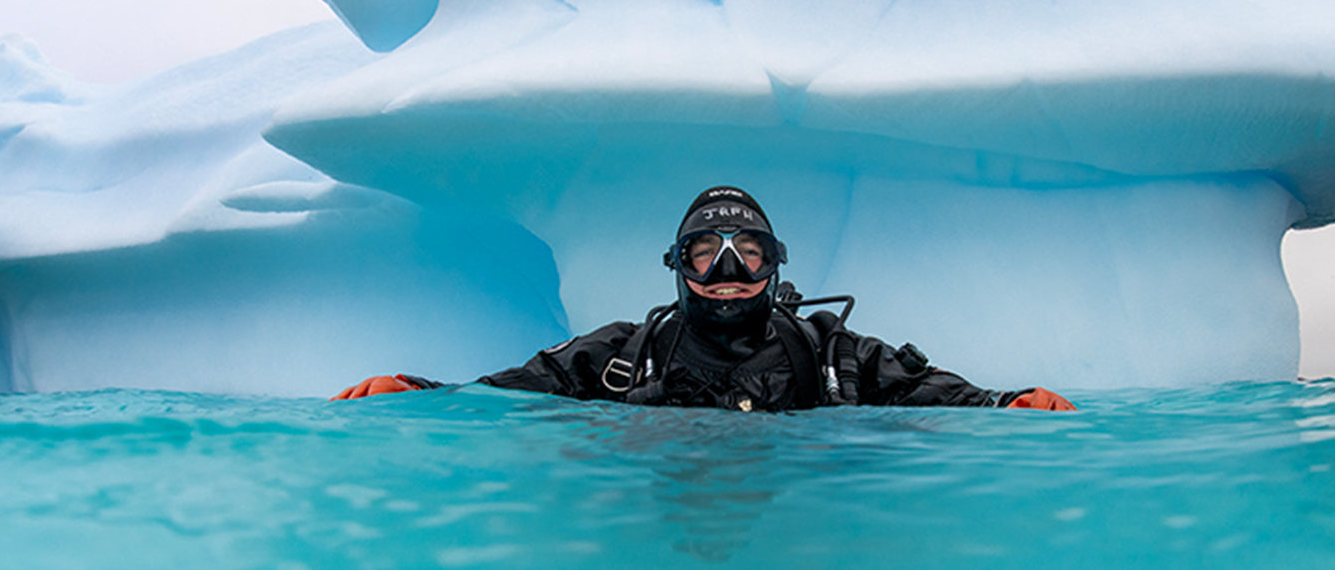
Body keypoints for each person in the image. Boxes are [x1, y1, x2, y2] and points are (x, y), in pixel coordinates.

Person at [332, 186, 1075, 412]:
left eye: (747, 252)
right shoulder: (627, 352)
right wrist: (423, 393)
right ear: (677, 265)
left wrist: (1003, 401)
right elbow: (519, 388)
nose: (727, 268)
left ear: (775, 266)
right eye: (706, 252)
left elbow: (916, 386)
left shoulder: (822, 350)